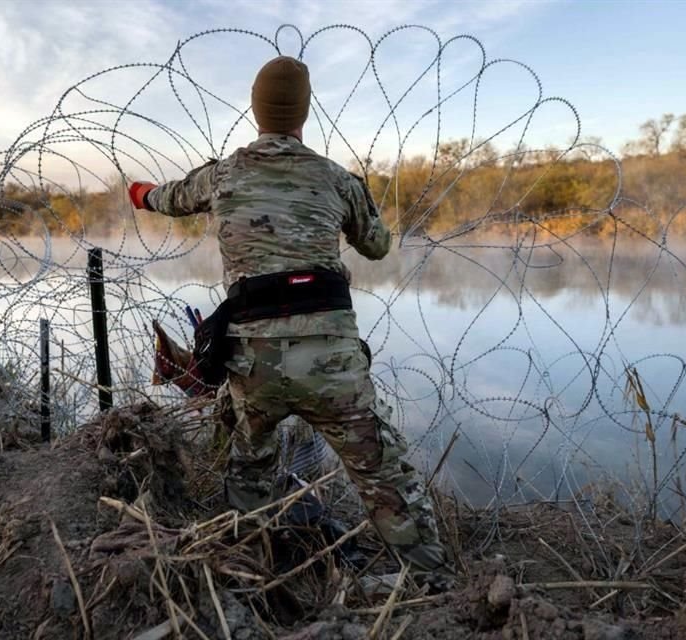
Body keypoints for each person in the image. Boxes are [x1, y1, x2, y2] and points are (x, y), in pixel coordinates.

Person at [128, 56, 454, 585]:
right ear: (303, 113)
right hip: (332, 363)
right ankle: (430, 581)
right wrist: (359, 205)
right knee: (380, 470)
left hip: (254, 364)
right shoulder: (336, 179)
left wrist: (139, 193)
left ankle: (245, 568)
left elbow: (167, 198)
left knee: (250, 463)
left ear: (256, 110)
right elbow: (376, 246)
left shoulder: (223, 174)